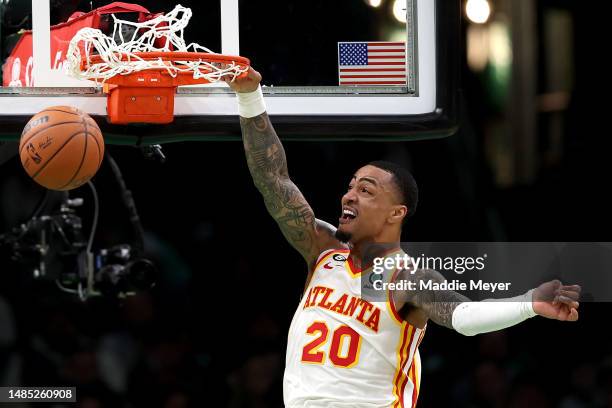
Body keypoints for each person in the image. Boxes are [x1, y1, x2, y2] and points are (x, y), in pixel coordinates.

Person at [226, 67, 581, 408]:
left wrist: (529, 302)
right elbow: (274, 182)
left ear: (397, 213)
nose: (349, 196)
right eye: (350, 187)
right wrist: (249, 96)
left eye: (366, 190)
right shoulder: (322, 248)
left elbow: (464, 317)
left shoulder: (408, 279)